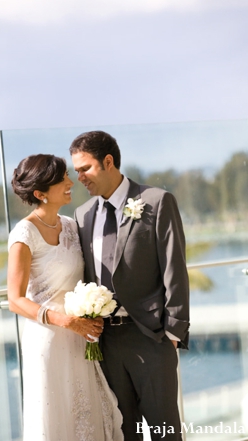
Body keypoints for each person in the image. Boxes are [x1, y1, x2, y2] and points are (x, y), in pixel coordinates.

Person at [70, 131, 190, 441]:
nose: (79, 176)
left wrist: (172, 333)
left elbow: (174, 269)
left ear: (108, 162)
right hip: (105, 342)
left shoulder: (156, 201)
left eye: (85, 168)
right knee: (122, 431)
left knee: (166, 431)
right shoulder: (82, 215)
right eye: (76, 170)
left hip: (150, 337)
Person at [7, 153, 123, 441]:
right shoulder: (24, 234)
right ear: (40, 194)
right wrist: (66, 321)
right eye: (62, 180)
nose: (71, 182)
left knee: (91, 414)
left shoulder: (71, 225)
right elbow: (15, 300)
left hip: (80, 336)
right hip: (48, 338)